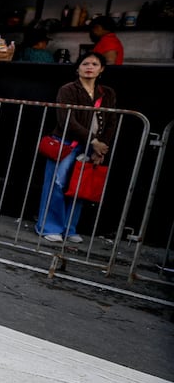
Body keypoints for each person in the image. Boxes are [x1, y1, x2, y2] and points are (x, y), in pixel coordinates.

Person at [35, 51, 117, 242]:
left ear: (101, 69)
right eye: (85, 63)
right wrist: (93, 140)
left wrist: (101, 146)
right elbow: (66, 120)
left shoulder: (107, 93)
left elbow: (111, 121)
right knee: (57, 184)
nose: (89, 67)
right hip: (67, 143)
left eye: (95, 64)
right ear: (77, 68)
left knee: (79, 187)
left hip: (93, 146)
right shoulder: (68, 90)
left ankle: (69, 229)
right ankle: (48, 227)